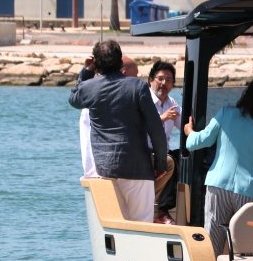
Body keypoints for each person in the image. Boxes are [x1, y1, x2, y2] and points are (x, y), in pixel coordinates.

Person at [183, 79, 253, 255]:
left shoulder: (225, 113)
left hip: (218, 185)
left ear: (245, 95)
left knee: (212, 238)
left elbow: (200, 141)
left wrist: (189, 132)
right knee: (248, 242)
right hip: (252, 191)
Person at [70, 40, 168, 222]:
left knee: (118, 225)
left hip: (105, 170)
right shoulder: (137, 87)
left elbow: (74, 98)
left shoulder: (90, 87)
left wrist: (86, 71)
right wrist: (160, 163)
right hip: (138, 168)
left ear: (97, 63)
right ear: (119, 60)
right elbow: (156, 129)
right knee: (142, 225)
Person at [79, 55, 140, 179]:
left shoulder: (97, 94)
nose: (137, 81)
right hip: (101, 172)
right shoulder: (102, 101)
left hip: (112, 169)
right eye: (135, 77)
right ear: (123, 73)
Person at [148, 60, 181, 224]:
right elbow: (140, 127)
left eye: (168, 80)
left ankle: (165, 210)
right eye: (160, 78)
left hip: (162, 153)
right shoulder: (144, 99)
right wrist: (162, 118)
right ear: (151, 80)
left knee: (185, 158)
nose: (164, 83)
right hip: (144, 151)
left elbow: (184, 125)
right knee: (169, 162)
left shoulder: (171, 103)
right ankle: (158, 211)